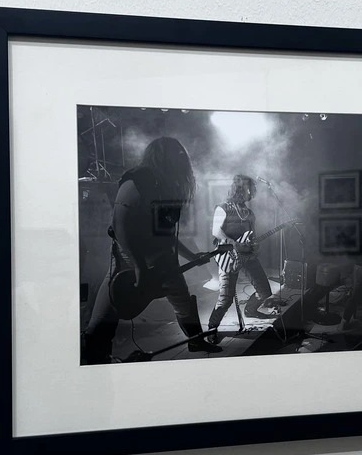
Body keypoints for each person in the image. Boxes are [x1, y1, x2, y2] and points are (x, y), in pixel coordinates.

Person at [83, 136, 221, 365]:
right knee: (114, 301)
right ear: (162, 156)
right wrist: (138, 266)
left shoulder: (168, 185)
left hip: (162, 257)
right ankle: (93, 356)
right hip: (130, 256)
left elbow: (165, 232)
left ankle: (196, 340)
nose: (182, 159)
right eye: (176, 155)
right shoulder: (138, 179)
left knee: (182, 299)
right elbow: (120, 226)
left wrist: (191, 257)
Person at [206, 175, 273, 339]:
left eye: (252, 189)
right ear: (239, 189)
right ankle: (211, 330)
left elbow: (253, 236)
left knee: (264, 291)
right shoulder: (223, 208)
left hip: (248, 255)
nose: (251, 192)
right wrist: (234, 244)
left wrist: (256, 246)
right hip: (228, 256)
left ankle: (250, 309)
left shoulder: (249, 213)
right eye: (248, 188)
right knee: (225, 299)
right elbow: (216, 231)